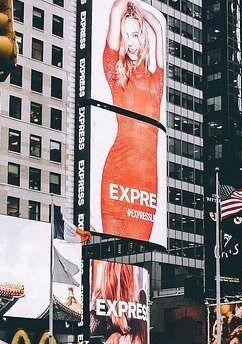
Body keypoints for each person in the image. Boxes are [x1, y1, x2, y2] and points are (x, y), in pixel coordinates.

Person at [101, 0, 165, 241]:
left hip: (146, 183)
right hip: (116, 176)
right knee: (107, 263)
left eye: (136, 34)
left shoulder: (156, 78)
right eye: (125, 35)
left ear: (144, 38)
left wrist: (137, 11)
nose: (130, 42)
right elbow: (116, 8)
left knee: (137, 258)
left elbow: (158, 26)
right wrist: (127, 7)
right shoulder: (114, 71)